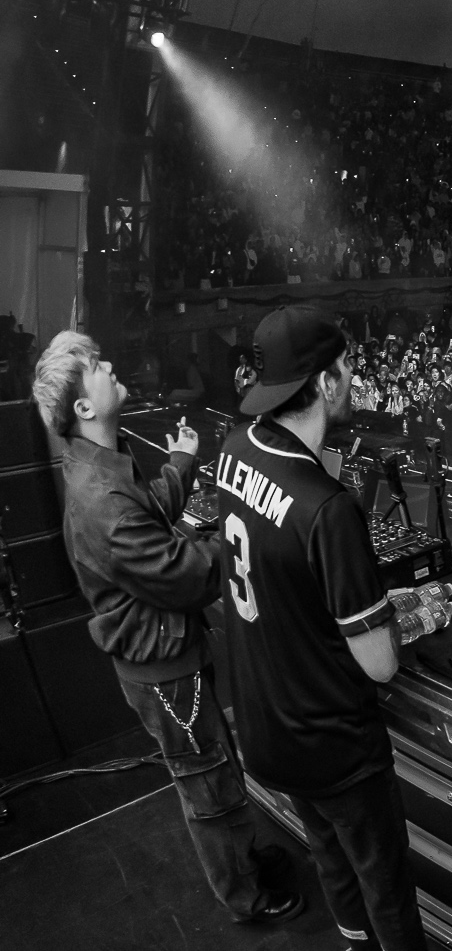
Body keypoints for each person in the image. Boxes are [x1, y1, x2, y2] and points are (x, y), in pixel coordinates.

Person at [33, 331, 302, 926]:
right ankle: (247, 897)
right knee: (206, 783)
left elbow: (148, 512)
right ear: (84, 406)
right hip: (164, 670)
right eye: (96, 366)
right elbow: (187, 575)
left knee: (215, 765)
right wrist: (246, 532)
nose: (109, 365)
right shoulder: (101, 499)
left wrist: (181, 460)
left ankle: (245, 859)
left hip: (168, 656)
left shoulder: (100, 462)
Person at [214, 305, 428, 951]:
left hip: (267, 726)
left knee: (332, 863)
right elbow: (379, 663)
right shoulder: (328, 509)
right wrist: (398, 611)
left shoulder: (234, 446)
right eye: (347, 365)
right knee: (386, 887)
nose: (354, 376)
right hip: (333, 743)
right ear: (326, 380)